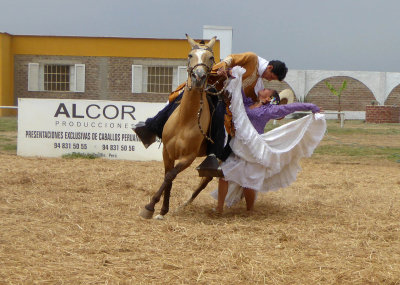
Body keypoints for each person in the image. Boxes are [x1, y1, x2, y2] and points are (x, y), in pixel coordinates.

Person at [133, 52, 288, 174]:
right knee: (178, 98)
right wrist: (224, 67)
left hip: (221, 98)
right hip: (207, 82)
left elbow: (254, 103)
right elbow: (232, 58)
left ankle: (213, 155)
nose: (269, 80)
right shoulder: (252, 59)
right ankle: (151, 127)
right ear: (270, 68)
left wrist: (275, 112)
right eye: (271, 77)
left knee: (221, 120)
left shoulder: (258, 85)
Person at [212, 66, 326, 214]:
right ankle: (219, 208)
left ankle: (250, 210)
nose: (264, 89)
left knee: (248, 182)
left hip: (254, 149)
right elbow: (238, 94)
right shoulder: (247, 103)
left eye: (267, 91)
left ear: (268, 98)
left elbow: (291, 107)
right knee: (224, 175)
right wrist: (232, 75)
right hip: (241, 146)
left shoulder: (269, 110)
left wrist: (312, 106)